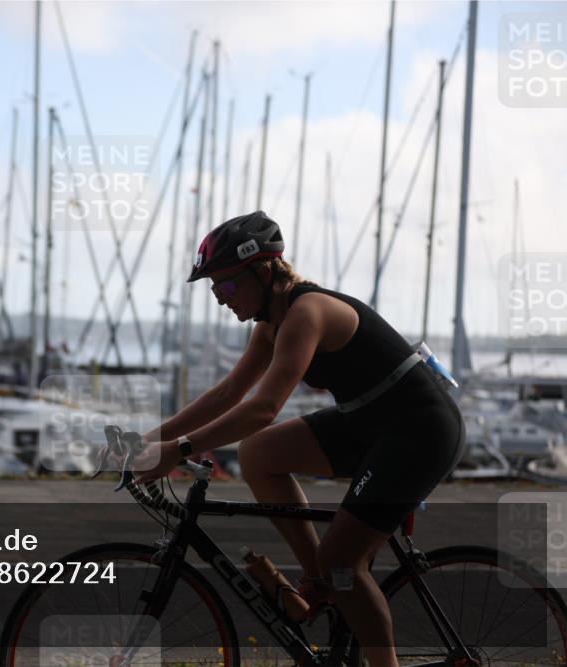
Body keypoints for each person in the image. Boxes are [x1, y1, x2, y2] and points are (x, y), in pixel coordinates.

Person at [134, 210, 465, 667]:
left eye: (226, 286)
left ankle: (345, 598)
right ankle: (322, 581)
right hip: (371, 421)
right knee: (259, 453)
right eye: (214, 290)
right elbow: (230, 392)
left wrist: (181, 449)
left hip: (418, 431)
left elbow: (263, 407)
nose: (220, 299)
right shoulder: (271, 322)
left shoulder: (306, 313)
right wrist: (151, 437)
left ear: (263, 271)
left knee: (343, 562)